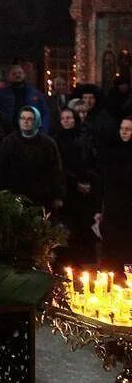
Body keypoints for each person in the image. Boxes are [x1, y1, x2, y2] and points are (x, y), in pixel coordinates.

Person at [0, 106, 65, 211]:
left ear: (37, 121)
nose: (25, 122)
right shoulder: (9, 142)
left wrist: (58, 196)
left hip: (41, 197)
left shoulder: (48, 144)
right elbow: (0, 169)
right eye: (22, 118)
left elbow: (56, 170)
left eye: (30, 119)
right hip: (15, 196)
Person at [53, 106, 99, 265]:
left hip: (85, 191)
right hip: (67, 191)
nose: (66, 121)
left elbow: (91, 161)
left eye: (69, 117)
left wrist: (87, 181)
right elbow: (58, 167)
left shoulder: (84, 137)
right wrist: (74, 182)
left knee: (83, 228)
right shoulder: (55, 140)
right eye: (63, 118)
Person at [97, 117, 132, 270]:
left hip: (129, 208)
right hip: (113, 207)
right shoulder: (112, 152)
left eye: (128, 129)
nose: (124, 132)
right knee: (111, 247)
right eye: (122, 128)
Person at [0, 64, 51, 136]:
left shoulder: (35, 92)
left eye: (20, 73)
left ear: (24, 75)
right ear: (9, 76)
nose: (17, 75)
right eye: (14, 73)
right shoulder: (2, 94)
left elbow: (45, 112)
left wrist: (43, 131)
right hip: (9, 133)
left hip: (32, 131)